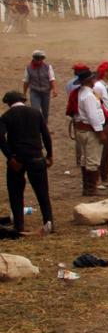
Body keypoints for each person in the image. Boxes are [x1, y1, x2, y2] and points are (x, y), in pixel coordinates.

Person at [0, 91, 54, 234]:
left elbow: (1, 138)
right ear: (23, 100)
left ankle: (19, 225)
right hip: (36, 157)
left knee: (16, 193)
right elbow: (46, 135)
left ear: (9, 103)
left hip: (17, 160)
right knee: (42, 192)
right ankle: (49, 222)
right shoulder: (36, 113)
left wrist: (10, 157)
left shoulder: (6, 117)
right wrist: (49, 155)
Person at [71, 69, 106, 196]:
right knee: (92, 160)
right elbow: (93, 116)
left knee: (85, 159)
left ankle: (87, 187)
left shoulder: (80, 93)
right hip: (90, 131)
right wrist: (100, 132)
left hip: (81, 129)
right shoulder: (89, 96)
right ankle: (91, 189)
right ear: (89, 80)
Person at [93, 62, 108, 189]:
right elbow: (97, 104)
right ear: (105, 73)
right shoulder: (98, 87)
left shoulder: (105, 86)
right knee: (101, 150)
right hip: (104, 119)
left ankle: (104, 177)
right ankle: (98, 179)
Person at [22, 50, 57, 124]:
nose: (39, 61)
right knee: (35, 111)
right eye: (37, 59)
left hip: (46, 92)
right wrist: (24, 93)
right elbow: (26, 81)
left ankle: (44, 126)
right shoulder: (28, 68)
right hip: (35, 92)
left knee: (45, 112)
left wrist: (54, 89)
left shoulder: (48, 67)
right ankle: (36, 126)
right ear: (34, 58)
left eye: (41, 59)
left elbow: (52, 79)